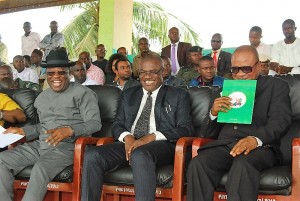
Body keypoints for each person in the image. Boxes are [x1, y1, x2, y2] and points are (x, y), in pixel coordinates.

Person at [81, 53, 194, 201]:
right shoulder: (128, 94)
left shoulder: (178, 95)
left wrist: (152, 137)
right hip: (131, 142)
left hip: (162, 145)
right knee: (92, 155)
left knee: (139, 154)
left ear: (162, 72)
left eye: (153, 72)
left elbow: (186, 128)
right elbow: (117, 124)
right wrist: (127, 137)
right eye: (142, 72)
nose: (147, 76)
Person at [187, 45, 292, 201]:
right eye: (235, 70)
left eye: (246, 69)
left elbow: (280, 121)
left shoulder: (276, 86)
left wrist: (255, 140)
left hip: (260, 147)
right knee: (198, 163)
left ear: (258, 65)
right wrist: (213, 113)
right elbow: (208, 133)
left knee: (243, 163)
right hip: (226, 146)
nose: (240, 74)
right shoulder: (224, 89)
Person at [0, 49, 102, 201]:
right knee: (2, 160)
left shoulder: (84, 93)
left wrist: (70, 130)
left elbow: (95, 123)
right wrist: (23, 131)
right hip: (41, 145)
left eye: (61, 72)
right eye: (51, 73)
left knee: (40, 168)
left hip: (68, 147)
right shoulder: (42, 97)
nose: (56, 77)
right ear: (46, 75)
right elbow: (44, 127)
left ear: (69, 73)